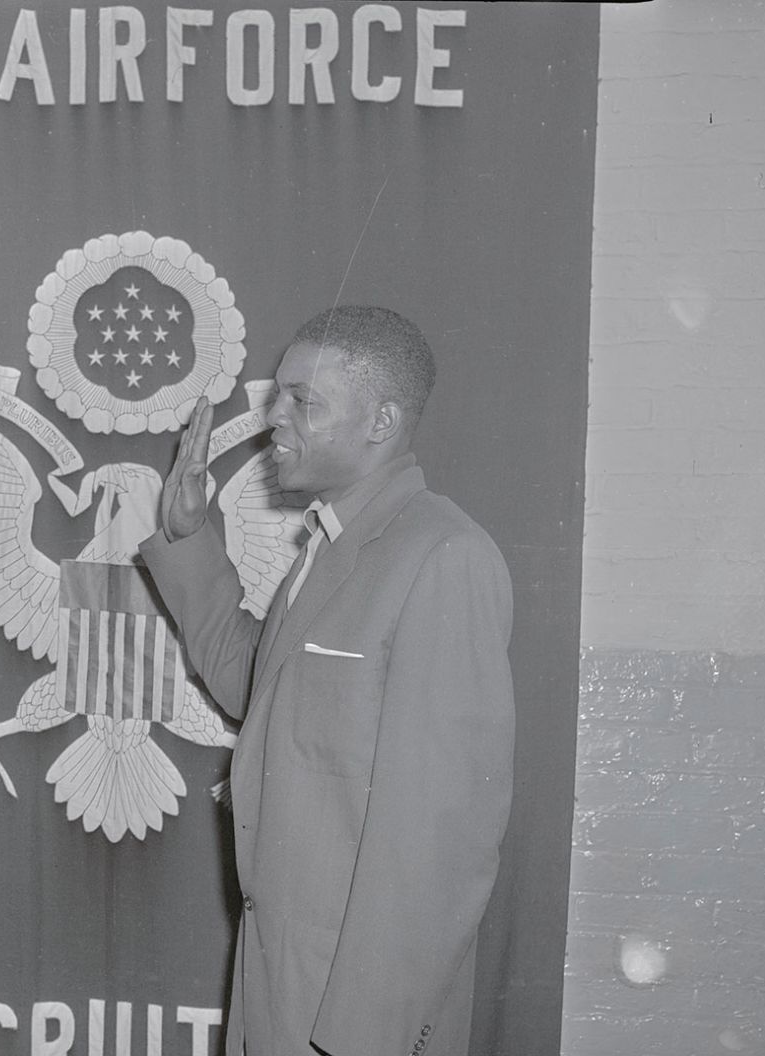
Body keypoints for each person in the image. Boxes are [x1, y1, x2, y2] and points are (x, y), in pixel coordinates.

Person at [139, 306, 515, 1056]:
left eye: (301, 401)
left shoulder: (441, 556)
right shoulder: (335, 542)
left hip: (350, 1015)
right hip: (281, 987)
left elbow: (440, 848)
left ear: (382, 421)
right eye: (277, 395)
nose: (272, 418)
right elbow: (263, 689)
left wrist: (359, 1037)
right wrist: (190, 541)